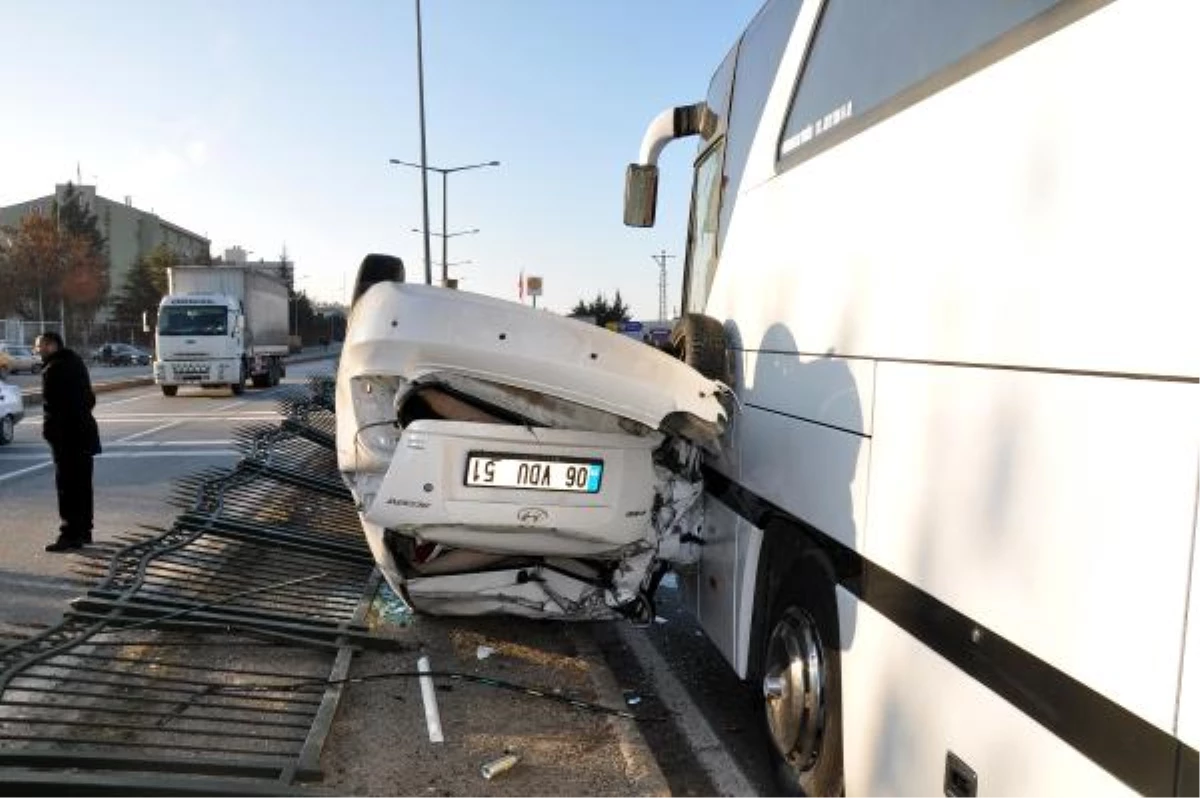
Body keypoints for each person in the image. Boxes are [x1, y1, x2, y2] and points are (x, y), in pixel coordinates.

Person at [35, 332, 101, 552]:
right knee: (83, 484)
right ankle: (85, 531)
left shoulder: (53, 370)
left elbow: (52, 408)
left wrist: (50, 433)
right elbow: (90, 398)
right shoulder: (77, 362)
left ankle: (69, 534)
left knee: (67, 487)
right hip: (85, 432)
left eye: (40, 346)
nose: (38, 351)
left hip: (66, 437)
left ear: (52, 345)